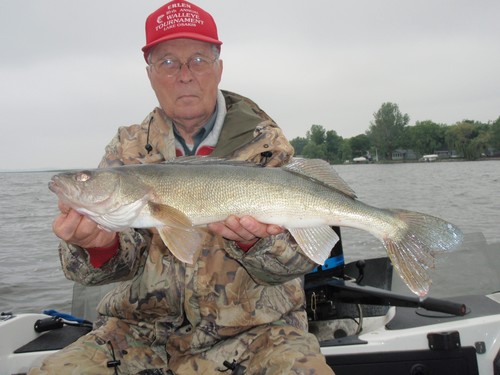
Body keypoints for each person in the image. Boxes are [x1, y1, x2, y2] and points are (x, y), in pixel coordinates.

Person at [30, 1, 335, 374]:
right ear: (150, 74)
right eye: (168, 62)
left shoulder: (268, 148)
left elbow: (302, 260)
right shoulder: (126, 151)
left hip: (256, 334)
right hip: (137, 333)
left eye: (199, 60)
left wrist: (255, 242)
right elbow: (108, 267)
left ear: (219, 68)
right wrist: (98, 246)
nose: (185, 75)